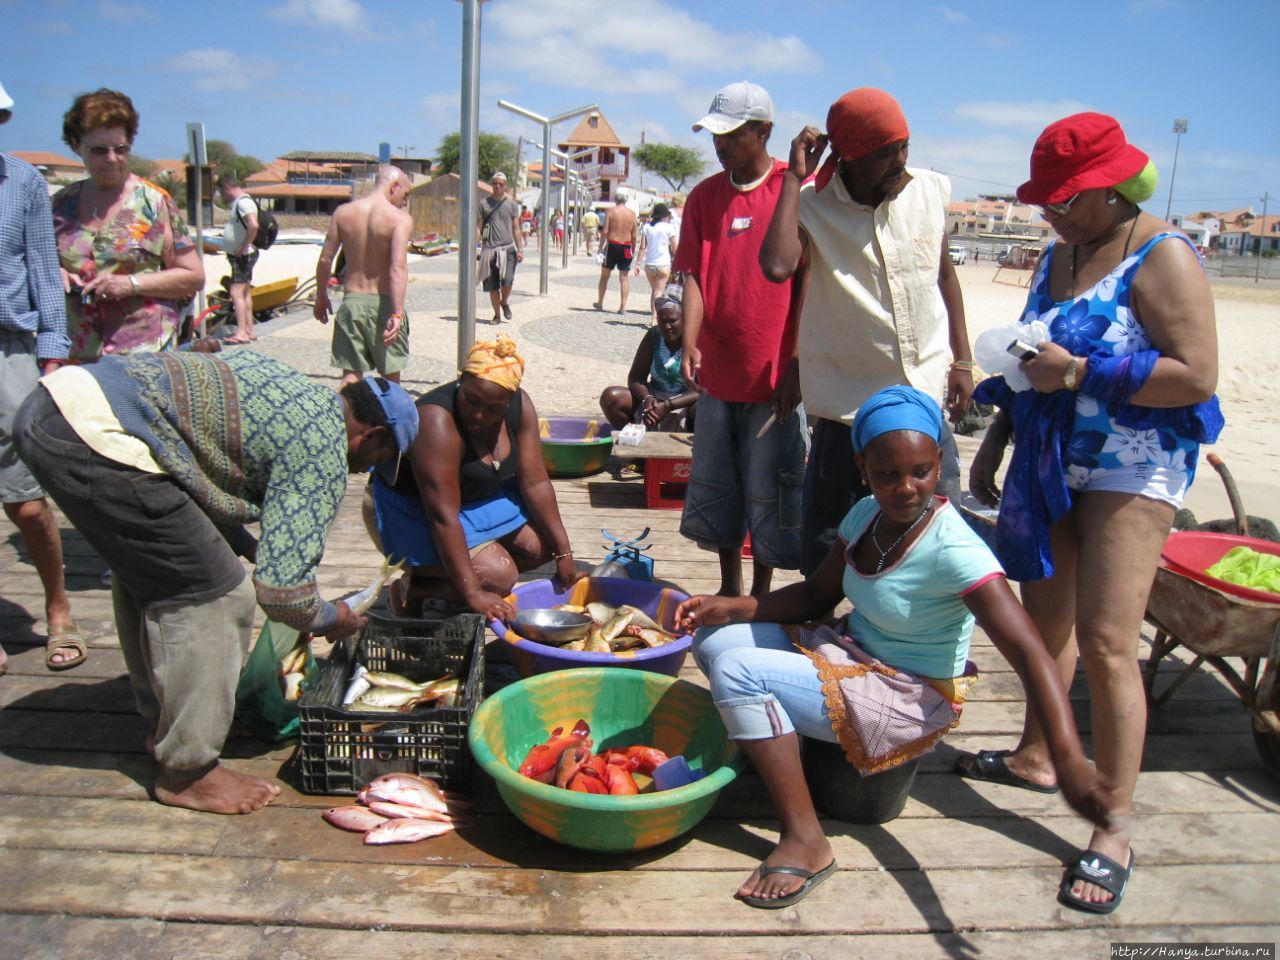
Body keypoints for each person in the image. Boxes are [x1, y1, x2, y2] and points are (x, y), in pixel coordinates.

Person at [674, 386, 1120, 909]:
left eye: (922, 471)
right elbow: (818, 594)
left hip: (909, 695)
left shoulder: (956, 549)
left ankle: (806, 840)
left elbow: (1031, 654)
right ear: (863, 466)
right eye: (888, 474)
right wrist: (730, 607)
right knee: (714, 640)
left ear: (939, 462)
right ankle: (771, 749)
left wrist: (1068, 759)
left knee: (740, 673)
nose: (906, 488)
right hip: (853, 658)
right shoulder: (865, 515)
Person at [954, 113, 1223, 915]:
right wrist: (997, 434)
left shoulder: (1163, 256)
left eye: (1064, 200)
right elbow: (1033, 352)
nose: (1050, 214)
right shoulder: (1059, 251)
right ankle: (1040, 756)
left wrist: (1080, 378)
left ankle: (1113, 822)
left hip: (1133, 466)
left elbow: (1197, 377)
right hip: (1050, 454)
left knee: (1108, 642)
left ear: (1112, 189)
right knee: (1050, 627)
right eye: (1045, 201)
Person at [13, 349, 417, 813]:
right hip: (100, 438)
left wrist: (247, 545)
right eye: (378, 457)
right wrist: (330, 617)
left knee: (156, 574)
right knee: (218, 595)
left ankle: (172, 725)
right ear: (373, 434)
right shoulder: (323, 445)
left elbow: (196, 462)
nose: (366, 469)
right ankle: (188, 771)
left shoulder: (297, 390)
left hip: (54, 406)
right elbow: (283, 595)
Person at [760, 88, 974, 576]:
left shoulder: (930, 190)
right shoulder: (812, 205)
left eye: (904, 147)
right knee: (831, 542)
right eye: (885, 153)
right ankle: (821, 641)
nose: (900, 161)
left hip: (924, 401)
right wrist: (795, 179)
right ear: (849, 158)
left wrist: (962, 360)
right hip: (847, 411)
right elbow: (776, 266)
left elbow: (944, 276)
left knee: (940, 539)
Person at [673, 80, 806, 598]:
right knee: (720, 485)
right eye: (715, 134)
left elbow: (807, 287)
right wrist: (689, 339)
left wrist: (793, 363)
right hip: (720, 375)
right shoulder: (704, 198)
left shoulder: (793, 190)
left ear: (763, 132)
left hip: (773, 376)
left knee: (770, 487)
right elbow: (695, 277)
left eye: (731, 133)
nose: (720, 143)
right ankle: (731, 588)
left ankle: (762, 593)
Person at [368, 336, 585, 621]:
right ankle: (418, 586)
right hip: (413, 508)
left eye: (494, 409)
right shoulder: (436, 421)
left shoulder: (521, 405)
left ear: (509, 402)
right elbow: (443, 516)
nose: (479, 415)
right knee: (499, 575)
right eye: (471, 400)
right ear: (462, 380)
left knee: (543, 546)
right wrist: (473, 594)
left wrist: (564, 553)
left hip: (476, 497)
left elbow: (536, 482)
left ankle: (443, 580)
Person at [0, 79, 83, 672]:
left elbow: (43, 270)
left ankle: (58, 608)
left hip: (11, 348)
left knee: (27, 501)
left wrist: (52, 352)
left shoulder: (21, 182)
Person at [52, 88, 204, 361]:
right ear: (76, 145)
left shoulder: (154, 203)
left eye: (120, 149)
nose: (112, 158)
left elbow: (193, 276)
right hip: (76, 355)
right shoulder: (60, 206)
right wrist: (55, 276)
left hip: (142, 358)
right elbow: (39, 267)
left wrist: (131, 284)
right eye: (99, 150)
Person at [313, 165, 413, 387]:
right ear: (394, 186)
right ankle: (389, 421)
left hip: (352, 303)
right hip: (385, 302)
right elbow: (398, 267)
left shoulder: (343, 213)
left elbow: (325, 260)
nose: (405, 202)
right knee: (391, 380)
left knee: (350, 378)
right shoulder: (399, 219)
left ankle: (346, 420)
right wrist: (397, 314)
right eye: (405, 195)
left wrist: (321, 296)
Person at [599, 291, 698, 432]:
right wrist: (647, 399)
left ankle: (693, 451)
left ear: (684, 319)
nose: (667, 326)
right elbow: (636, 378)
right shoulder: (654, 335)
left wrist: (669, 405)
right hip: (655, 398)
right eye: (662, 321)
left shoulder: (695, 340)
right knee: (611, 397)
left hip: (685, 401)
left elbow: (702, 389)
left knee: (704, 407)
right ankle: (636, 441)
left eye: (672, 321)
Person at [215, 173, 260, 345]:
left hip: (242, 254)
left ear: (227, 188)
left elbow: (253, 225)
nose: (222, 197)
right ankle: (249, 329)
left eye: (221, 192)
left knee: (235, 291)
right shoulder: (243, 202)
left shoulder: (243, 202)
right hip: (244, 253)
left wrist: (243, 246)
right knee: (245, 291)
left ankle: (241, 332)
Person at [478, 171, 523, 324]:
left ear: (505, 186)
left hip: (507, 248)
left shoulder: (511, 205)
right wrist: (474, 248)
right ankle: (497, 314)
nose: (497, 186)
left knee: (508, 281)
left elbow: (516, 228)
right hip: (489, 249)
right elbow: (479, 227)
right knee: (492, 285)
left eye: (501, 184)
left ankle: (504, 302)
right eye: (495, 183)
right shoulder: (484, 204)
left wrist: (520, 249)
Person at [594, 193, 638, 313]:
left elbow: (605, 231)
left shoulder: (611, 211)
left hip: (612, 244)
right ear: (626, 200)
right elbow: (634, 235)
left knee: (604, 276)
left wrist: (600, 247)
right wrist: (632, 249)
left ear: (615, 199)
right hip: (626, 245)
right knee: (624, 277)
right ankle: (623, 306)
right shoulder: (632, 214)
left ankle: (600, 302)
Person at [633, 203, 678, 319]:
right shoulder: (669, 228)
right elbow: (675, 248)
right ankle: (655, 318)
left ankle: (655, 316)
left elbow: (643, 247)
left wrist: (638, 263)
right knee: (659, 292)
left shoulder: (647, 227)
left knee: (655, 291)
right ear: (664, 216)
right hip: (664, 264)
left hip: (649, 265)